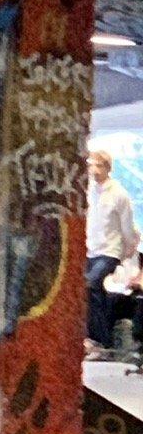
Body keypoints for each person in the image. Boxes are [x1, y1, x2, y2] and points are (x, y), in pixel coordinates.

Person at [87, 150, 138, 359]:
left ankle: (100, 340)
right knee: (93, 292)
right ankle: (97, 337)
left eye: (99, 165)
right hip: (90, 248)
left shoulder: (119, 194)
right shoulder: (89, 191)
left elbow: (127, 230)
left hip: (109, 251)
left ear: (108, 168)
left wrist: (125, 254)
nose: (94, 170)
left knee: (91, 284)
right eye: (92, 165)